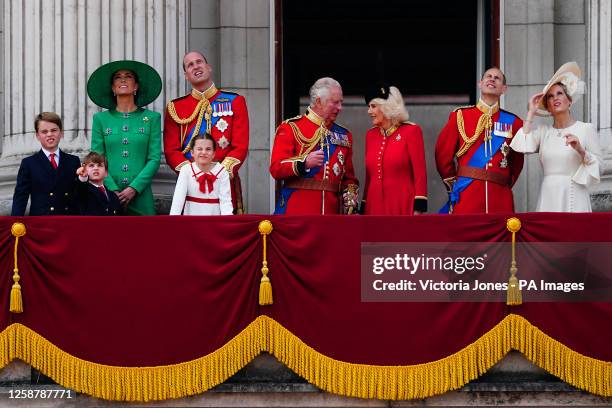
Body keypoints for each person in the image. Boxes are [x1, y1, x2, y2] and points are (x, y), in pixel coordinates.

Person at [510, 62, 602, 212]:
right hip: (549, 196)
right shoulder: (543, 131)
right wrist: (531, 112)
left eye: (560, 93)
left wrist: (581, 150)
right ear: (548, 106)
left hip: (575, 195)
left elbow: (599, 167)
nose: (555, 98)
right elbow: (522, 146)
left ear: (569, 100)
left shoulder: (585, 129)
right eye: (550, 96)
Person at [164, 51, 249, 214]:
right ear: (186, 75)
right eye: (190, 65)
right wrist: (192, 174)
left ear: (208, 68)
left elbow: (240, 146)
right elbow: (171, 150)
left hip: (224, 180)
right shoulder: (175, 108)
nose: (195, 66)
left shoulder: (235, 102)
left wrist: (219, 174)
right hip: (189, 184)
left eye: (199, 62)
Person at [435, 67, 524, 214]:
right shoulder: (460, 116)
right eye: (488, 76)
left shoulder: (514, 123)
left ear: (504, 89)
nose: (492, 79)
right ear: (480, 83)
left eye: (497, 78)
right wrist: (455, 186)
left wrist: (502, 183)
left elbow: (517, 162)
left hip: (500, 198)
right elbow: (442, 155)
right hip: (467, 195)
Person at [270, 77, 359, 214]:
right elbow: (276, 168)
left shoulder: (344, 135)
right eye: (335, 103)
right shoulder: (291, 128)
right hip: (297, 212)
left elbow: (349, 179)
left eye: (341, 102)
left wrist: (350, 198)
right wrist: (304, 163)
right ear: (318, 101)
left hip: (331, 215)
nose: (340, 107)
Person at [87, 60, 162, 215]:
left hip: (141, 194)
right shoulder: (100, 119)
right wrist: (112, 188)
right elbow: (97, 158)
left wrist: (134, 188)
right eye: (117, 77)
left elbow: (154, 158)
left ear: (136, 86)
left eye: (128, 76)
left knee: (145, 237)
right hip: (108, 192)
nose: (123, 79)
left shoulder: (152, 118)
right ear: (113, 88)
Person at [362, 85, 427, 215]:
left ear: (386, 107)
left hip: (402, 204)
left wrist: (418, 207)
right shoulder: (370, 135)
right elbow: (368, 177)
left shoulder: (411, 131)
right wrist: (363, 205)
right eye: (368, 107)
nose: (369, 111)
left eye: (373, 106)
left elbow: (420, 173)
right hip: (373, 206)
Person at [11, 112, 81, 216]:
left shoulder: (73, 161)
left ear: (61, 133)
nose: (49, 134)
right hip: (41, 223)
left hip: (68, 222)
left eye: (54, 130)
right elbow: (21, 196)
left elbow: (80, 194)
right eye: (44, 131)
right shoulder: (29, 163)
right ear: (37, 135)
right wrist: (15, 222)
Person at [169, 134, 233, 215]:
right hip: (192, 222)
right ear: (192, 152)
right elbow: (178, 200)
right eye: (199, 149)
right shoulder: (186, 170)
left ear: (214, 153)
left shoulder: (222, 172)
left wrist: (227, 224)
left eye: (208, 149)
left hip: (214, 222)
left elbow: (225, 201)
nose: (204, 152)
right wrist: (173, 222)